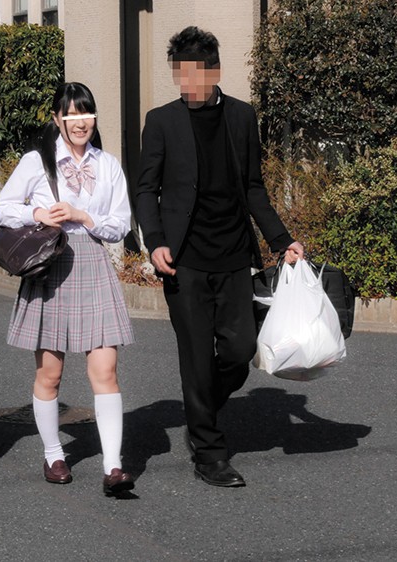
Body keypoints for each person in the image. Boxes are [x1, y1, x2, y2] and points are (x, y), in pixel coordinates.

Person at [135, 26, 304, 488]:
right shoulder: (161, 121)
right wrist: (155, 241)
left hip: (232, 256)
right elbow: (147, 189)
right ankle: (210, 453)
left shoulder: (242, 117)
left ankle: (201, 409)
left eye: (195, 73)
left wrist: (281, 239)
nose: (187, 83)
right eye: (180, 73)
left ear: (215, 72)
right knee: (195, 357)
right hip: (183, 261)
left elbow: (254, 187)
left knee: (239, 349)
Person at [0, 82, 136, 496]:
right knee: (50, 374)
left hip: (92, 263)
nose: (80, 122)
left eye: (86, 114)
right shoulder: (37, 162)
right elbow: (0, 209)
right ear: (58, 119)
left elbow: (120, 224)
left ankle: (113, 466)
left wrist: (84, 216)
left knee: (105, 370)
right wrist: (37, 213)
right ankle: (54, 454)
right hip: (50, 264)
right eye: (71, 115)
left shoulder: (108, 164)